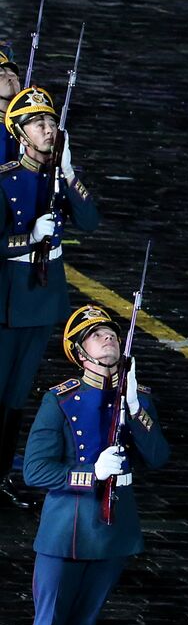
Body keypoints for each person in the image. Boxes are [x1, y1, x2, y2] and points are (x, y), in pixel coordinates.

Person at [19, 306, 169, 625]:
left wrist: (137, 407)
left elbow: (159, 456)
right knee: (50, 624)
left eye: (110, 333)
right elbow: (35, 470)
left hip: (112, 531)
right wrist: (89, 473)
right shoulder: (60, 400)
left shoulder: (135, 400)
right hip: (67, 528)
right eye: (97, 336)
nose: (108, 339)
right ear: (80, 354)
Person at [0, 86, 100, 508]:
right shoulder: (5, 179)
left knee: (16, 394)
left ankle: (1, 473)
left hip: (41, 298)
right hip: (7, 299)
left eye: (50, 121)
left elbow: (91, 220)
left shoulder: (60, 177)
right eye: (38, 123)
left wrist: (71, 172)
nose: (47, 128)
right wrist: (27, 238)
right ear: (20, 134)